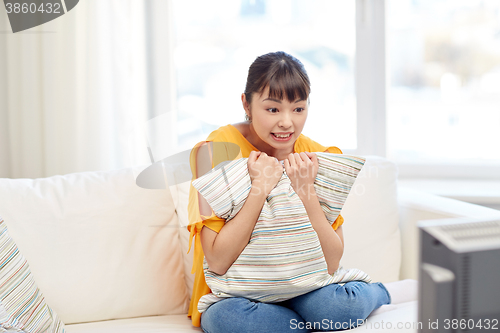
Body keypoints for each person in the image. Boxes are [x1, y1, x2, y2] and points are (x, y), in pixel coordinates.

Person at [186, 51, 391, 333]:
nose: (287, 123)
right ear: (246, 103)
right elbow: (219, 261)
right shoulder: (213, 154)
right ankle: (312, 323)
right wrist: (259, 189)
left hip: (305, 287)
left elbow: (331, 262)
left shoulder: (315, 155)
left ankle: (380, 293)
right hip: (238, 295)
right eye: (272, 109)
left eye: (298, 109)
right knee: (227, 320)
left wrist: (305, 191)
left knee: (338, 308)